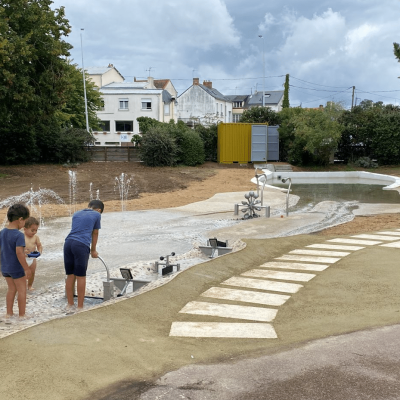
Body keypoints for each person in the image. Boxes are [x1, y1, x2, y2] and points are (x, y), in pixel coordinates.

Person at [64, 199, 104, 311]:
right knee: (81, 275)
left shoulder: (77, 213)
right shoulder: (97, 214)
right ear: (99, 210)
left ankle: (70, 304)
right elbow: (95, 233)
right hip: (81, 245)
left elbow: (78, 229)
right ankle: (80, 306)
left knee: (70, 275)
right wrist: (93, 250)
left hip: (68, 243)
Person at [0, 204, 32, 319]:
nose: (24, 225)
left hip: (5, 268)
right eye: (25, 222)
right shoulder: (18, 235)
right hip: (16, 268)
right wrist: (26, 268)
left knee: (11, 289)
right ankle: (22, 315)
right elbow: (19, 253)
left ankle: (9, 313)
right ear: (20, 220)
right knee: (22, 290)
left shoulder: (2, 232)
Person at [23, 217, 43, 291]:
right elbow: (18, 249)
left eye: (36, 230)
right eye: (32, 230)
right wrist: (24, 251)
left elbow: (39, 245)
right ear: (25, 229)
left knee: (32, 273)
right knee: (23, 275)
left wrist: (40, 251)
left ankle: (30, 285)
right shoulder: (22, 237)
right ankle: (23, 287)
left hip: (32, 258)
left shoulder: (35, 237)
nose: (34, 232)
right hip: (23, 258)